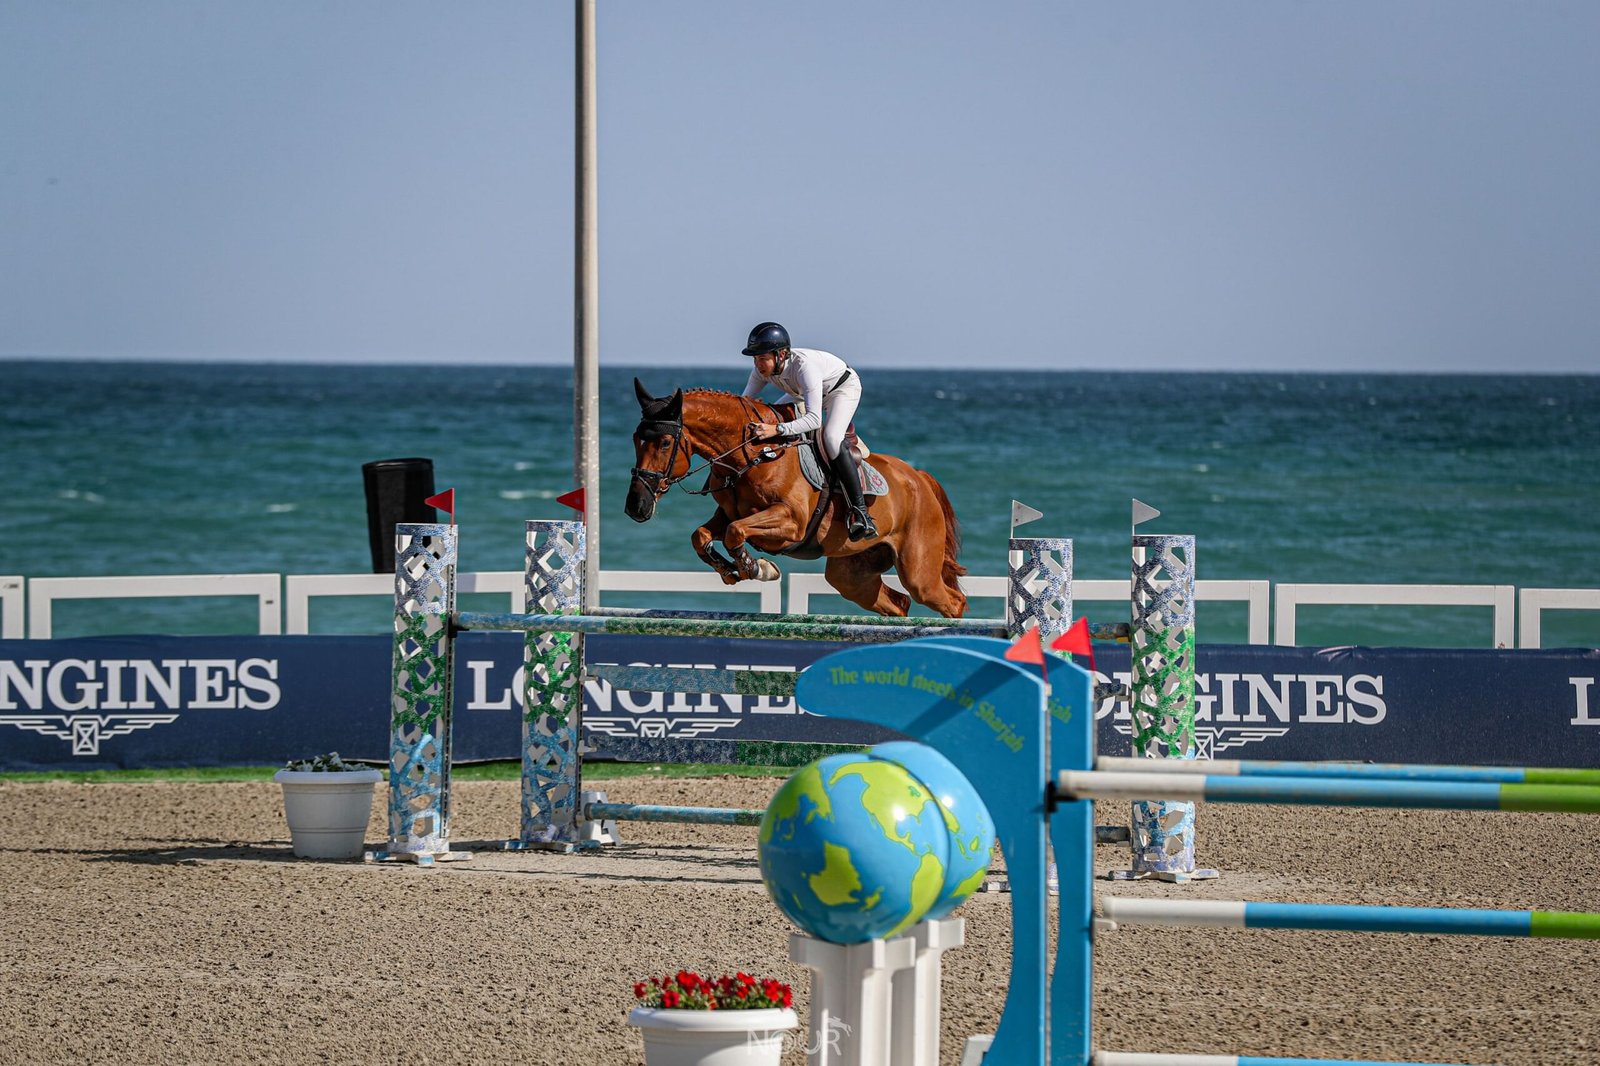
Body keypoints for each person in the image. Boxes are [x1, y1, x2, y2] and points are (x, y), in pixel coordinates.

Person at [740, 321, 878, 541]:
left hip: (841, 389)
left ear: (781, 354)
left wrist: (776, 429)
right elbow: (744, 404)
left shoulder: (804, 367)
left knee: (831, 438)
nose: (758, 364)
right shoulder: (761, 370)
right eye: (755, 359)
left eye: (763, 358)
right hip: (805, 391)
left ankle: (860, 512)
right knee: (770, 415)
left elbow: (814, 420)